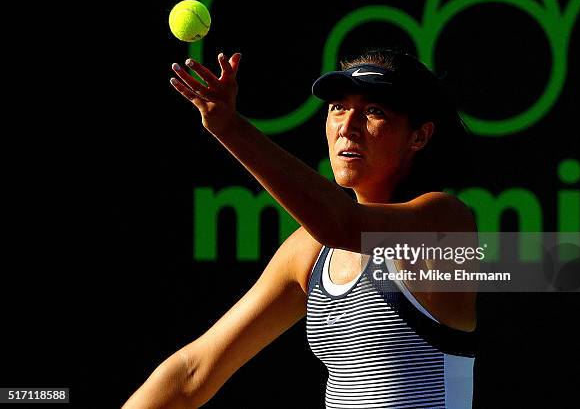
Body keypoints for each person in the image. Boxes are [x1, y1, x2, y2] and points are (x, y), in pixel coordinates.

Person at [123, 48, 478, 409]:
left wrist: (230, 126)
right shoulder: (309, 250)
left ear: (418, 137)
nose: (347, 126)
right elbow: (192, 373)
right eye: (338, 107)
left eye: (374, 111)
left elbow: (341, 223)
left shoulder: (445, 222)